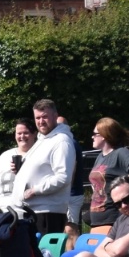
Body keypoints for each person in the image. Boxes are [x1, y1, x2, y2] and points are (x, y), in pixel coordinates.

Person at [10, 100, 77, 233]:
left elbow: (63, 177)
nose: (41, 121)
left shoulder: (61, 141)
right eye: (37, 118)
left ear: (55, 116)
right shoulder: (42, 140)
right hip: (32, 211)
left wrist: (35, 190)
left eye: (45, 117)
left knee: (43, 248)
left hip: (48, 213)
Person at [86, 118, 129, 229]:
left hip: (113, 217)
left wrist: (125, 196)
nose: (92, 137)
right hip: (97, 218)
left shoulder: (120, 152)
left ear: (104, 135)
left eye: (95, 134)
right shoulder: (100, 157)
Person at [0, 119, 33, 201]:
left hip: (29, 206)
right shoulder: (5, 156)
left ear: (35, 134)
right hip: (3, 207)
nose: (22, 136)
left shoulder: (40, 155)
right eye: (19, 133)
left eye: (26, 133)